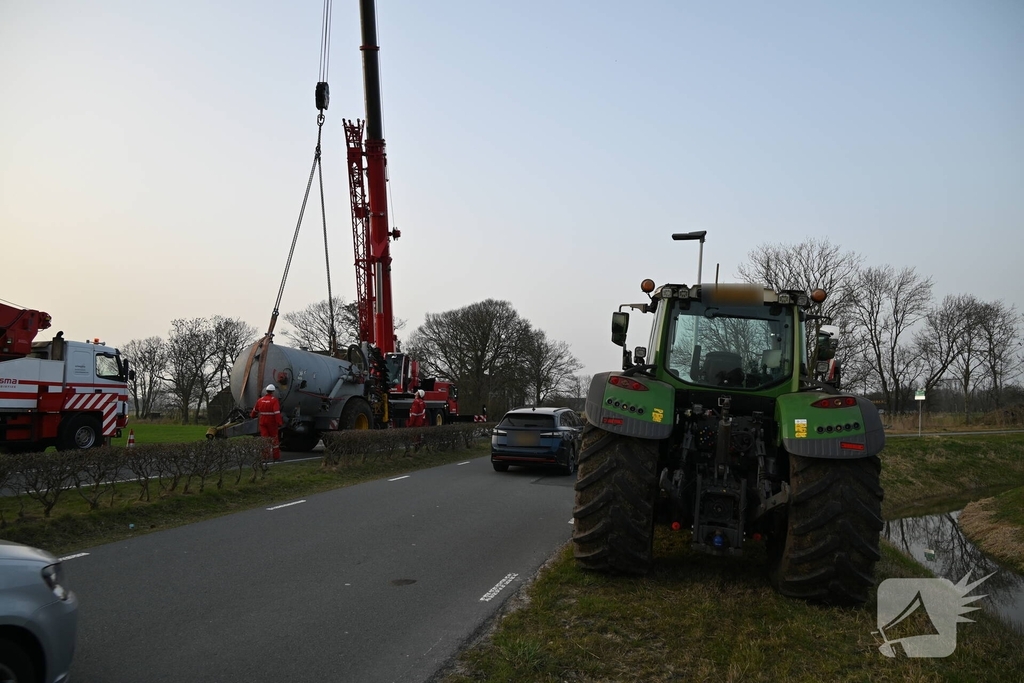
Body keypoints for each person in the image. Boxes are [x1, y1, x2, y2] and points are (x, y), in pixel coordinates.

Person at [251, 384, 284, 462]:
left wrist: (252, 416)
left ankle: (265, 457)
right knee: (274, 439)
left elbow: (255, 410)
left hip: (262, 421)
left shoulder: (260, 400)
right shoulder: (274, 400)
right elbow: (276, 412)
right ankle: (276, 457)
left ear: (266, 391)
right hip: (272, 422)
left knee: (265, 439)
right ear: (273, 391)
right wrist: (279, 422)